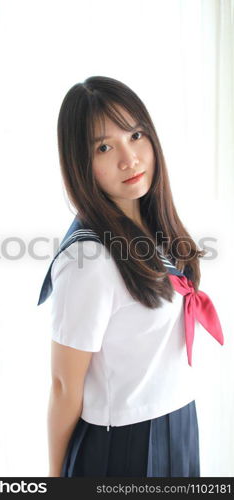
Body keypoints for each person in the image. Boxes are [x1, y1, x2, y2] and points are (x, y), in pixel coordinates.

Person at [37, 76, 224, 477]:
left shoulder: (155, 228)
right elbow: (64, 386)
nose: (130, 158)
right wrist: (56, 478)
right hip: (122, 444)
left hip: (179, 421)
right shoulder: (89, 259)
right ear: (80, 163)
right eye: (104, 147)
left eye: (135, 135)